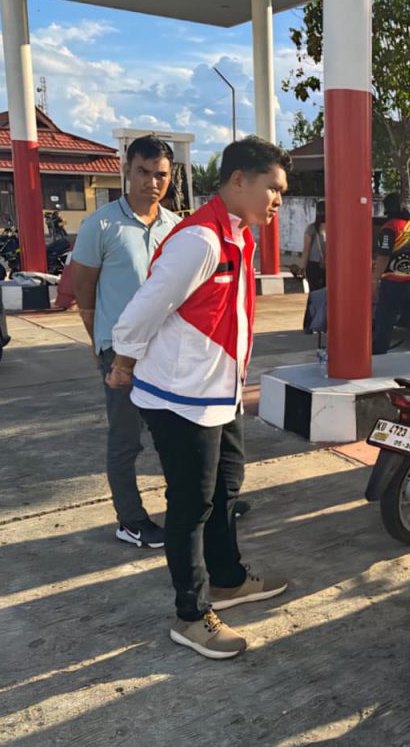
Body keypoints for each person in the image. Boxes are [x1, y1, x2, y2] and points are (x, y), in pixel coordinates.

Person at [107, 136, 292, 659]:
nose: (278, 200)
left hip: (218, 393)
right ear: (238, 181)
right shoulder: (201, 241)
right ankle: (191, 616)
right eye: (273, 189)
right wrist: (123, 362)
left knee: (226, 488)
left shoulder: (237, 233)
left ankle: (229, 580)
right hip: (178, 396)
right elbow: (145, 307)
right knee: (190, 504)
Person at [71, 135, 181, 548]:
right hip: (122, 354)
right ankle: (130, 520)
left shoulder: (175, 228)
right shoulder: (101, 225)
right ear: (126, 170)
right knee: (126, 439)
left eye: (161, 175)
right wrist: (105, 346)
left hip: (168, 349)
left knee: (174, 432)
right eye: (143, 172)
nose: (152, 182)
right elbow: (84, 291)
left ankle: (187, 504)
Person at [372, 193, 410, 354]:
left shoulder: (389, 228)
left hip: (394, 280)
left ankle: (378, 351)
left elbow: (384, 255)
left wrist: (374, 279)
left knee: (385, 317)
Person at [299, 201, 327, 333]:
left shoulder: (313, 228)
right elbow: (306, 250)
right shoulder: (313, 229)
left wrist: (302, 267)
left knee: (321, 296)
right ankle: (312, 325)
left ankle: (317, 324)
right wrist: (303, 268)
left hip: (323, 266)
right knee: (317, 296)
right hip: (317, 266)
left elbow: (306, 250)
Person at [298, 200, 327, 292]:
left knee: (315, 293)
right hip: (329, 266)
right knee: (326, 293)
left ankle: (315, 307)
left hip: (314, 266)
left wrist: (302, 267)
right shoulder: (335, 228)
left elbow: (306, 250)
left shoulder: (311, 228)